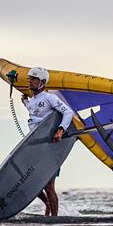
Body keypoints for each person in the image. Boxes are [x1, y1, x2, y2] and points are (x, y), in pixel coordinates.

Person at [21, 66, 75, 216]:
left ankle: (53, 219)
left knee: (48, 186)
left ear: (42, 82)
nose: (30, 81)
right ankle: (47, 205)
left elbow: (68, 112)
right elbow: (34, 112)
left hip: (49, 147)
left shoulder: (50, 97)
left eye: (34, 79)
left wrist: (60, 129)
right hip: (35, 146)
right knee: (32, 183)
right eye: (29, 79)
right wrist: (25, 101)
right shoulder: (32, 101)